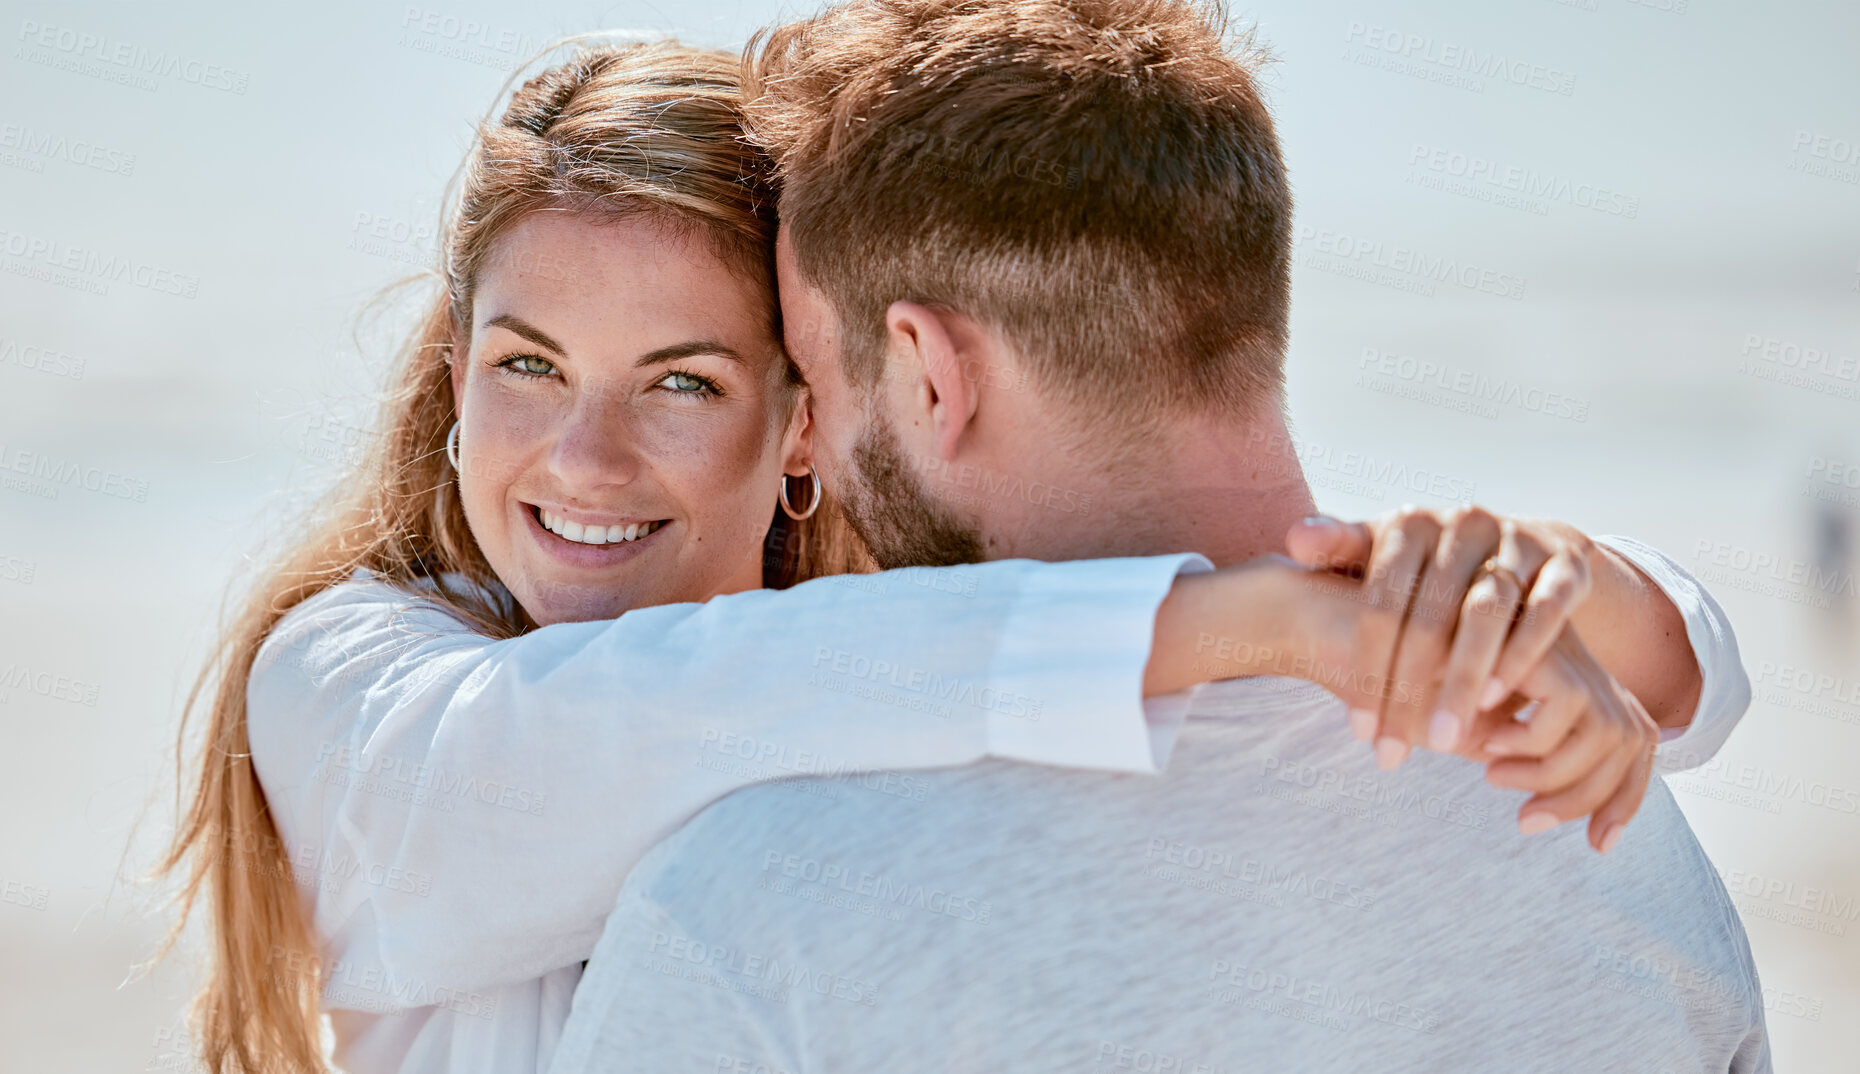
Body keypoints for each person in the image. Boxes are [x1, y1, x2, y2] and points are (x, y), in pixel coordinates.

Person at [549, 3, 1768, 1072]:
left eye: (817, 372)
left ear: (928, 372)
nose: (809, 439)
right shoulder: (1594, 802)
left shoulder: (758, 908)